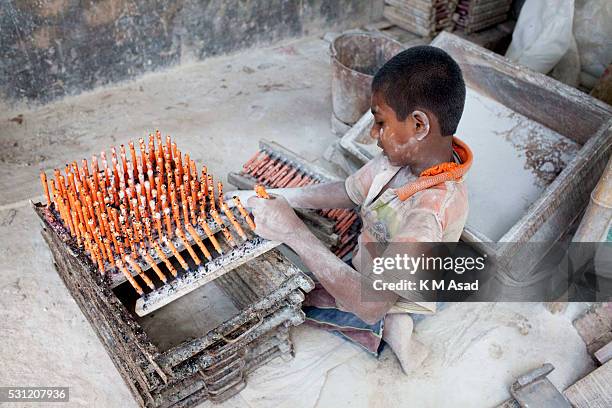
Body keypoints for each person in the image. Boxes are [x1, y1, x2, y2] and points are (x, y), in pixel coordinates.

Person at [226, 45, 473, 373]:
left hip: (384, 294)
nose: (373, 134)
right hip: (368, 265)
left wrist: (295, 233)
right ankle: (376, 309)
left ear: (419, 126)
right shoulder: (397, 160)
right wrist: (281, 196)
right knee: (308, 291)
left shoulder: (427, 215)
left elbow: (370, 304)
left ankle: (399, 329)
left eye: (380, 121)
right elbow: (347, 190)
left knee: (333, 307)